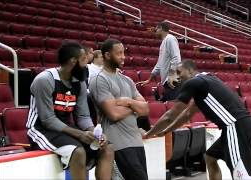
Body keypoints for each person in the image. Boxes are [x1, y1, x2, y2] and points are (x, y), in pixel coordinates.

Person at [144, 60, 251, 180]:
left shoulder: (193, 83)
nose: (178, 77)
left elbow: (170, 115)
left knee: (242, 176)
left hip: (235, 127)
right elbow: (187, 114)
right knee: (210, 157)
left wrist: (149, 134)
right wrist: (167, 130)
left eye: (179, 72)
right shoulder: (206, 80)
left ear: (189, 71)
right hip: (246, 125)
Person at [26, 42, 114, 180]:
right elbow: (48, 120)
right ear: (74, 61)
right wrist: (80, 134)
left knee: (107, 148)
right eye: (85, 59)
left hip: (66, 128)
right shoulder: (45, 80)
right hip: (40, 129)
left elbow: (83, 116)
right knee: (78, 152)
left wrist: (95, 133)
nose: (88, 64)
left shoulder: (79, 82)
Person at [89, 39, 149, 180]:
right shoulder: (99, 80)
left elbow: (145, 109)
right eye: (119, 53)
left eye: (123, 53)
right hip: (118, 143)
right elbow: (113, 114)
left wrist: (128, 102)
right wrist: (135, 107)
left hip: (136, 141)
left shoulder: (127, 80)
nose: (123, 56)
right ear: (108, 55)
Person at [138, 21, 181, 102]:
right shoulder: (163, 43)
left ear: (161, 28)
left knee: (171, 106)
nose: (155, 31)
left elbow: (176, 58)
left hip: (172, 80)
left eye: (156, 29)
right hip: (167, 81)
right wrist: (149, 80)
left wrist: (172, 76)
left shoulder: (170, 38)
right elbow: (159, 64)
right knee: (167, 104)